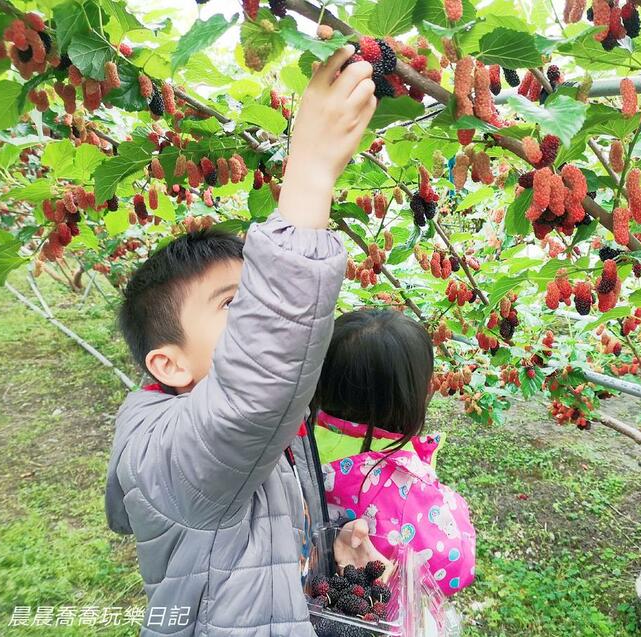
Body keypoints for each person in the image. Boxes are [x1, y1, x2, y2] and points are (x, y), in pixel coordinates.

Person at [103, 46, 381, 636]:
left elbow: (276, 516)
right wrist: (307, 172)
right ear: (169, 364)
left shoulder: (268, 437)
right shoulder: (167, 459)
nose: (256, 312)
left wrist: (333, 550)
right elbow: (257, 382)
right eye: (236, 304)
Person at [309, 310, 477, 596]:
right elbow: (455, 569)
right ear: (415, 397)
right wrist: (451, 501)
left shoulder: (298, 444)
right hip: (377, 614)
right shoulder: (405, 484)